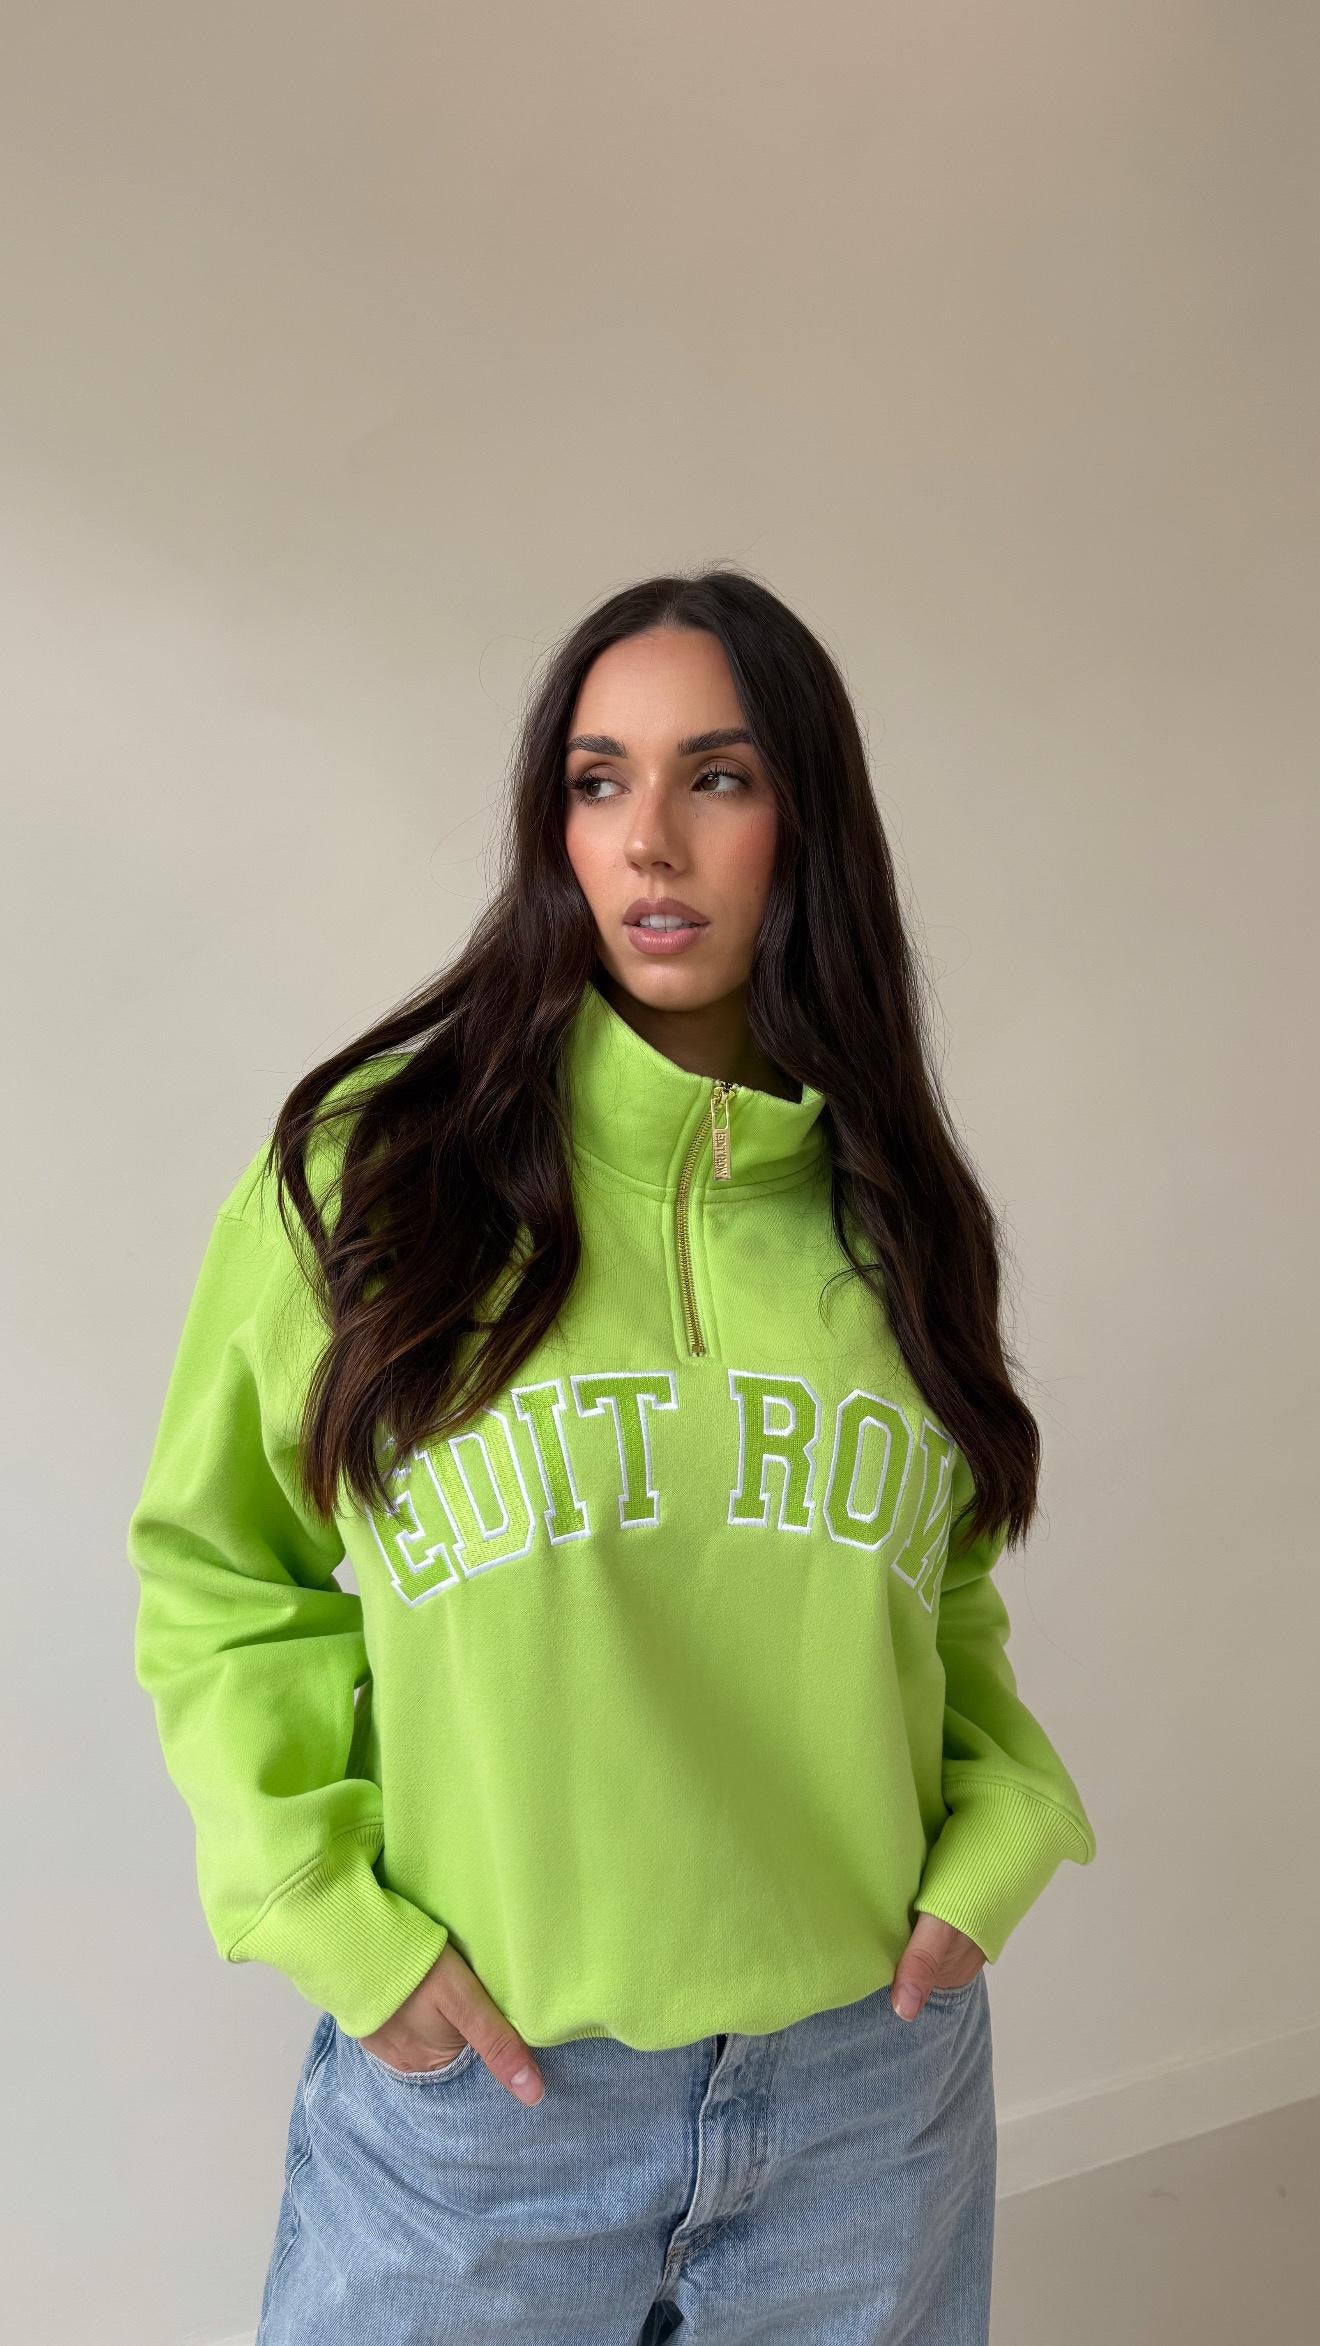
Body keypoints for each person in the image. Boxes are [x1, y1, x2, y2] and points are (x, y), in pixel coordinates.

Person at [127, 567, 1098, 2344]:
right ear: (553, 826)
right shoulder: (373, 1183)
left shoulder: (894, 1210)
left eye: (717, 777)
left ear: (806, 822)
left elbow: (940, 1584)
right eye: (599, 780)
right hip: (489, 2116)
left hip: (865, 2098)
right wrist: (333, 1916)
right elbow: (219, 1572)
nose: (651, 837)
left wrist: (1002, 1825)